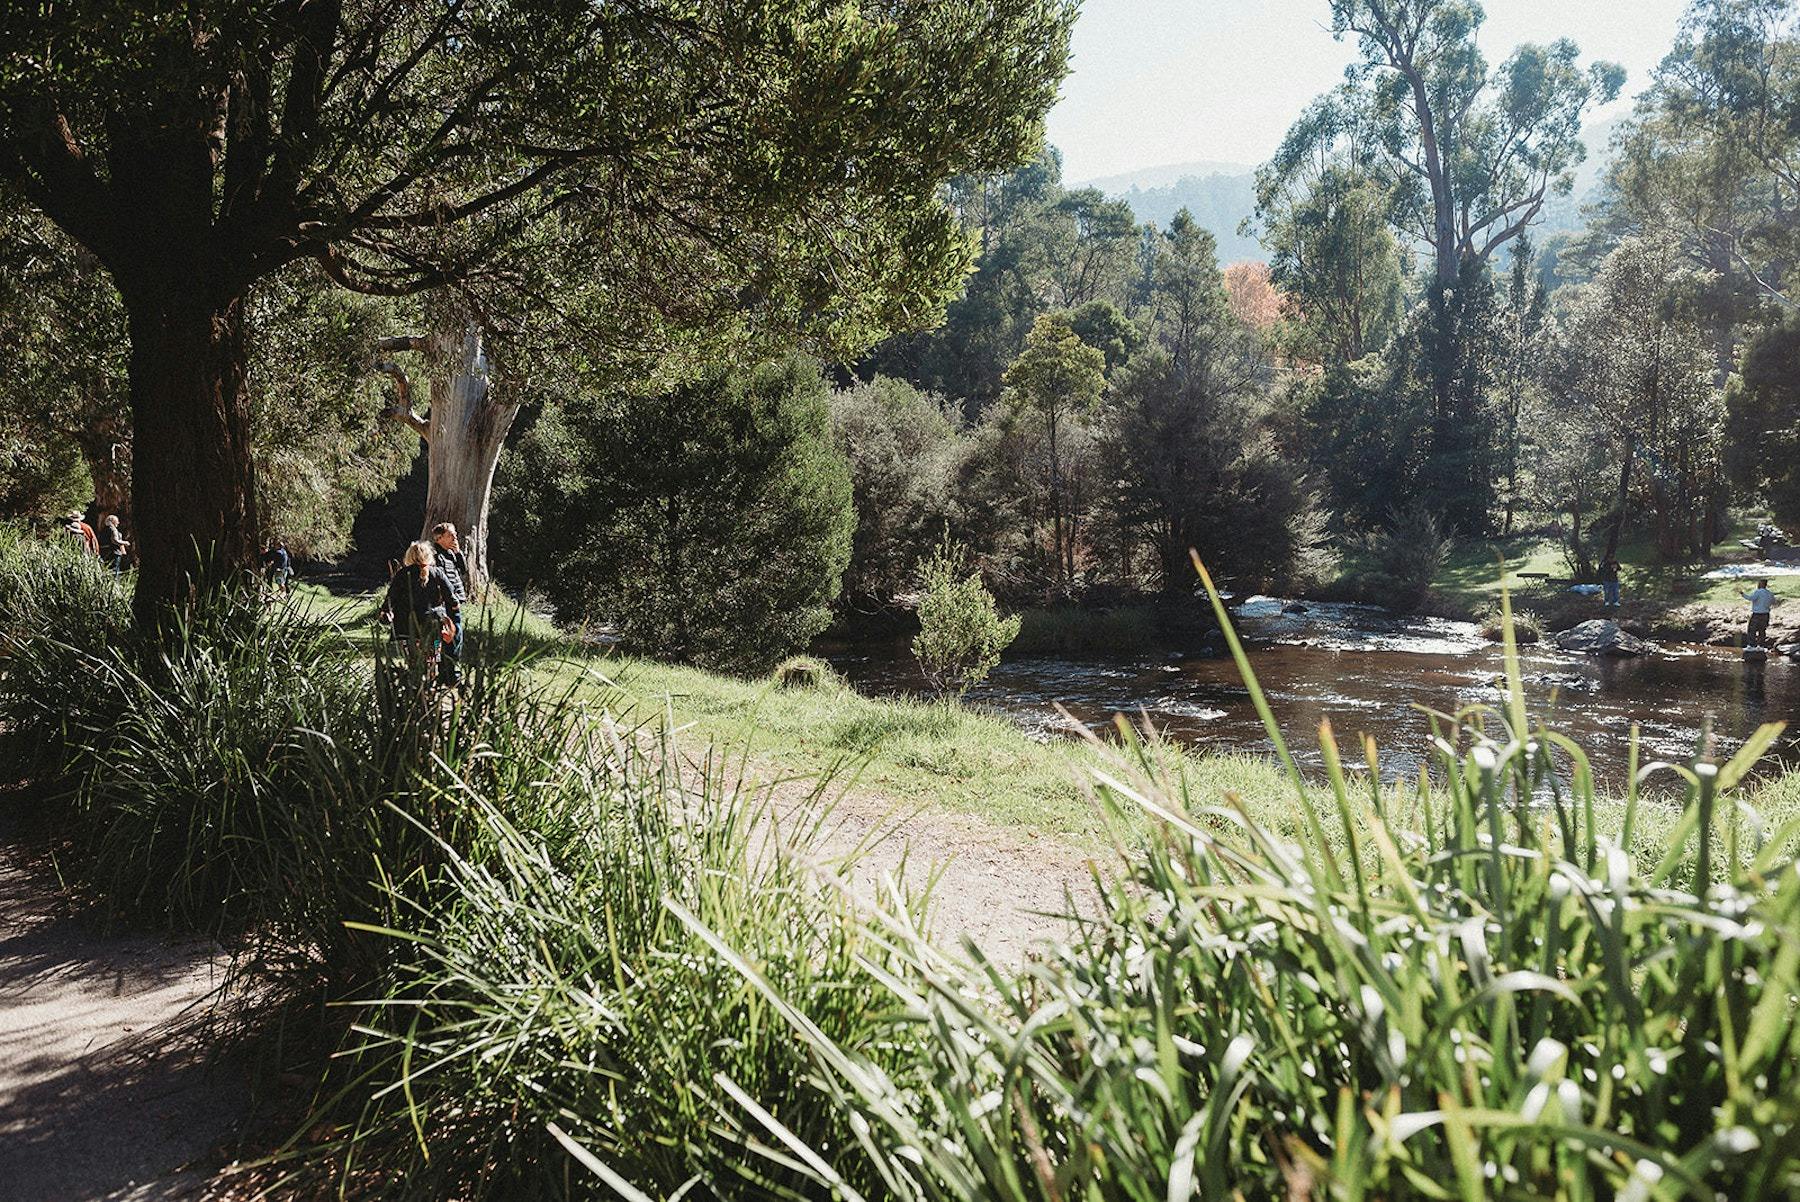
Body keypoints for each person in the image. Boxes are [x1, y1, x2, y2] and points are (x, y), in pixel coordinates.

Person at [382, 540, 460, 677]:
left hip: (408, 626)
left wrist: (385, 612)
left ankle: (416, 686)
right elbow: (452, 598)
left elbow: (391, 598)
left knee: (413, 659)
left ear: (409, 557)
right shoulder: (438, 573)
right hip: (433, 625)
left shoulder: (402, 574)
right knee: (434, 655)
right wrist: (452, 612)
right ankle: (431, 681)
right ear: (429, 556)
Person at [430, 522, 470, 687]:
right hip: (445, 604)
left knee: (455, 637)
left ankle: (449, 673)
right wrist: (448, 601)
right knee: (446, 638)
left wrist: (458, 552)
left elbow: (464, 570)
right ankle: (450, 674)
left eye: (455, 534)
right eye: (450, 535)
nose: (454, 537)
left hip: (456, 600)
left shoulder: (451, 553)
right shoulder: (435, 556)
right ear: (439, 538)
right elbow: (439, 581)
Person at [1742, 578, 1779, 648]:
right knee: (1762, 630)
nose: (1758, 585)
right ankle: (1761, 646)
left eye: (1759, 583)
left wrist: (1743, 594)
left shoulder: (1758, 592)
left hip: (1757, 614)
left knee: (1751, 630)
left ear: (1762, 584)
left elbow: (1751, 598)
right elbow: (1773, 602)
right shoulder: (1770, 593)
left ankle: (1751, 645)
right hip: (1766, 614)